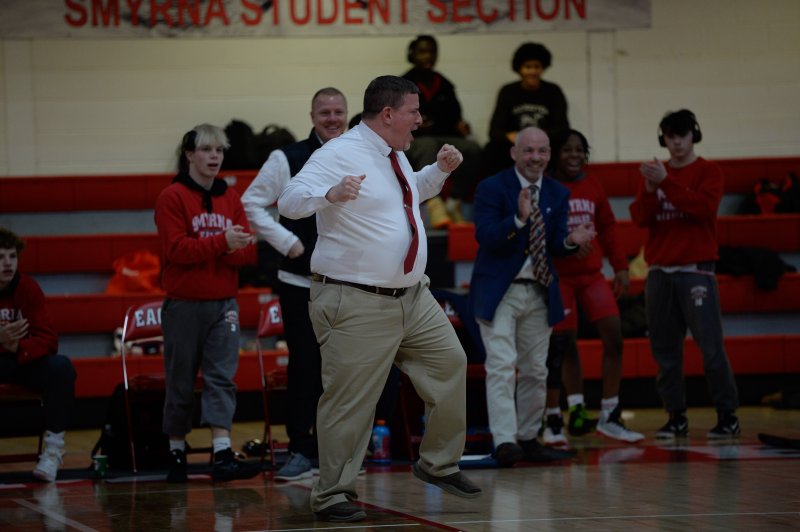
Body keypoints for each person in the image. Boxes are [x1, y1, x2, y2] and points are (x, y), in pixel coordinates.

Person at [279, 75, 481, 523]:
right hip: (356, 300)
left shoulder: (395, 154)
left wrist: (439, 172)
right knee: (350, 401)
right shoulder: (337, 153)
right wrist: (328, 194)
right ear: (388, 114)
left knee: (451, 363)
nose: (420, 120)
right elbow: (289, 200)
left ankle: (437, 463)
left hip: (412, 296)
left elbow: (406, 198)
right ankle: (332, 493)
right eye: (414, 111)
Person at [470, 127, 595, 467]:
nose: (535, 158)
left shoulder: (557, 192)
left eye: (541, 151)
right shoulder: (492, 188)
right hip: (500, 292)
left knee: (536, 371)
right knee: (500, 367)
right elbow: (486, 237)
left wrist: (572, 241)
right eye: (528, 151)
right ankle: (505, 441)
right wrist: (518, 219)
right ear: (515, 153)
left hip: (539, 291)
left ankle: (528, 437)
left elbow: (554, 245)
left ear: (549, 154)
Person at [242, 87, 348, 482]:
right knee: (306, 367)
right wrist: (286, 242)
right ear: (312, 115)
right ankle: (301, 448)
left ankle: (338, 449)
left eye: (339, 111)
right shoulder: (285, 158)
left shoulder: (364, 153)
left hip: (350, 284)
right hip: (299, 281)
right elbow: (251, 203)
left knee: (343, 370)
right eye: (325, 112)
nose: (332, 118)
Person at [154, 123, 261, 483]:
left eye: (219, 151)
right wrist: (222, 243)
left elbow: (247, 254)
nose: (215, 156)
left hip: (223, 303)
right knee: (180, 380)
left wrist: (231, 247)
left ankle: (220, 453)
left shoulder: (231, 197)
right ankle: (176, 453)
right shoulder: (171, 197)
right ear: (189, 156)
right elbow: (176, 251)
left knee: (221, 379)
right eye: (207, 150)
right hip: (183, 304)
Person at [630, 109, 740, 440]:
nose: (676, 143)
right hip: (660, 271)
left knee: (710, 348)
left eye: (682, 136)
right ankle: (675, 416)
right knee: (664, 350)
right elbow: (639, 218)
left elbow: (702, 208)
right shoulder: (657, 173)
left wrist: (665, 182)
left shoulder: (709, 171)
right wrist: (650, 189)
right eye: (670, 136)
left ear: (694, 136)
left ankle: (727, 414)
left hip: (696, 271)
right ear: (663, 138)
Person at [541, 129, 644, 445]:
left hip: (592, 275)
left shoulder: (593, 184)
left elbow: (609, 227)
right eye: (567, 150)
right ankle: (575, 409)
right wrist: (568, 244)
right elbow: (540, 233)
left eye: (579, 150)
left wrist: (622, 267)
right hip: (561, 276)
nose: (574, 156)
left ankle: (610, 414)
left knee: (614, 334)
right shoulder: (547, 187)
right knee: (564, 344)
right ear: (556, 154)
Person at [0, 228, 76, 482]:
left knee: (61, 368)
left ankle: (53, 451)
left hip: (21, 359)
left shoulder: (29, 288)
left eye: (12, 256)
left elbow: (49, 340)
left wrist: (16, 347)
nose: (7, 263)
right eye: (1, 257)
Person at [402, 34, 482, 226]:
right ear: (412, 54)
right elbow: (396, 119)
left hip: (445, 137)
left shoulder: (445, 84)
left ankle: (454, 202)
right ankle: (434, 204)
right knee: (428, 145)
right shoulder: (403, 83)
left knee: (472, 149)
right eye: (422, 52)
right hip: (415, 139)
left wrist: (462, 126)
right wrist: (416, 125)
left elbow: (456, 117)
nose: (427, 56)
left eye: (432, 52)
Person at [483, 42, 569, 178]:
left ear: (543, 68)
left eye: (537, 67)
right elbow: (494, 131)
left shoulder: (553, 91)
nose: (533, 71)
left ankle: (555, 188)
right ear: (519, 69)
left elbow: (563, 128)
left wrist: (538, 137)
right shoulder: (508, 91)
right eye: (528, 67)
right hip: (516, 146)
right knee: (491, 148)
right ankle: (497, 191)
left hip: (545, 144)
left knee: (565, 145)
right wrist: (514, 137)